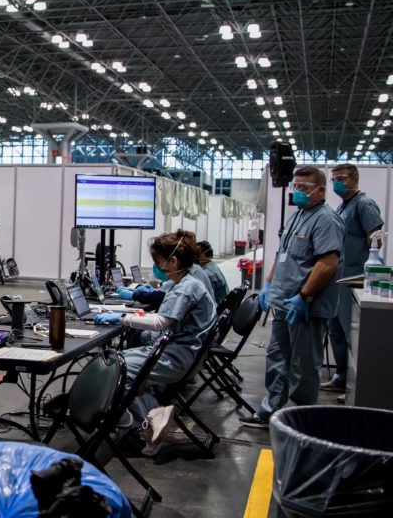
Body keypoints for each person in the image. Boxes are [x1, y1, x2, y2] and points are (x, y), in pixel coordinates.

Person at [94, 232, 217, 455]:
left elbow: (160, 322)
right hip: (180, 353)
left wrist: (122, 318)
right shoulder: (186, 282)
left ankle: (140, 429)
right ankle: (155, 415)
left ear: (173, 261)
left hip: (177, 358)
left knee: (116, 370)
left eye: (159, 262)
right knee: (118, 358)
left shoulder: (187, 287)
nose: (158, 267)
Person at [241, 166, 344, 428]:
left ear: (321, 190)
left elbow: (328, 263)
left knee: (304, 366)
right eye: (295, 186)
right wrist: (268, 285)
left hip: (306, 306)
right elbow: (282, 254)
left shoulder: (326, 220)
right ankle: (270, 411)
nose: (297, 191)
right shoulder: (298, 216)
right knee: (277, 359)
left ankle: (303, 419)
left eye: (304, 188)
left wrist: (304, 296)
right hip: (283, 303)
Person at [321, 164, 384, 393]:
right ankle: (340, 376)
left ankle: (354, 386)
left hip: (354, 277)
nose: (337, 183)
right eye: (334, 179)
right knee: (335, 328)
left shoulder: (364, 205)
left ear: (355, 178)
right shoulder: (342, 206)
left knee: (350, 330)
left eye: (342, 178)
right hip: (339, 278)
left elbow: (376, 239)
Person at [197, 241, 229, 306]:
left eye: (197, 255)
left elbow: (207, 302)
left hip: (218, 308)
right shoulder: (211, 265)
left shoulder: (207, 274)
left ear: (206, 255)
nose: (194, 257)